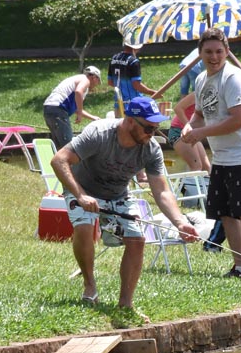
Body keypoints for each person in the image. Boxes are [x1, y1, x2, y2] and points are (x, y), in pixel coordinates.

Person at [50, 96, 200, 313]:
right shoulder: (99, 134)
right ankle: (90, 285)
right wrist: (81, 196)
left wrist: (180, 223)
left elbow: (162, 191)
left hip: (117, 194)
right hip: (81, 188)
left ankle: (126, 304)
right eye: (148, 128)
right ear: (130, 121)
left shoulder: (150, 149)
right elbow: (59, 160)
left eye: (156, 129)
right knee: (84, 227)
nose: (152, 134)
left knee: (137, 239)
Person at [180, 27, 241, 279]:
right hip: (222, 156)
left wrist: (202, 133)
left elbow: (239, 120)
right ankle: (238, 265)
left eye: (219, 51)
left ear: (227, 52)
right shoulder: (201, 80)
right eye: (208, 52)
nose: (214, 56)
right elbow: (199, 112)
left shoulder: (234, 78)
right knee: (227, 212)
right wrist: (190, 126)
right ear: (200, 54)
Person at [43, 66, 102, 149]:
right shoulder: (85, 79)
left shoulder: (77, 80)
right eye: (98, 80)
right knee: (69, 147)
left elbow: (77, 109)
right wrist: (80, 114)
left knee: (59, 147)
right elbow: (78, 92)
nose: (97, 84)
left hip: (49, 109)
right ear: (93, 77)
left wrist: (93, 117)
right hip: (58, 110)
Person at [169, 93, 211, 173]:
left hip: (193, 133)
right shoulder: (197, 94)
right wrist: (188, 125)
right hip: (179, 131)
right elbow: (177, 108)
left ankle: (203, 185)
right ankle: (188, 184)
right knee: (196, 166)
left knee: (207, 168)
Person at [108, 38, 156, 103]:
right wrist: (152, 92)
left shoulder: (114, 58)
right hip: (133, 103)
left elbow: (110, 82)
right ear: (136, 48)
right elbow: (136, 85)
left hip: (118, 102)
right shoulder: (133, 61)